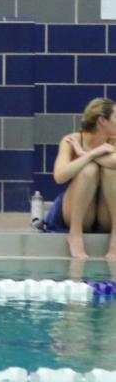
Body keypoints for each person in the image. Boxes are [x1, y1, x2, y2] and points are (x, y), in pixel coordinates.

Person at [46, 97, 116, 260]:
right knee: (88, 170)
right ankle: (75, 235)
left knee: (112, 171)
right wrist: (91, 155)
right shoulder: (72, 140)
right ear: (102, 121)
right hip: (81, 213)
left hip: (108, 214)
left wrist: (84, 154)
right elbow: (59, 176)